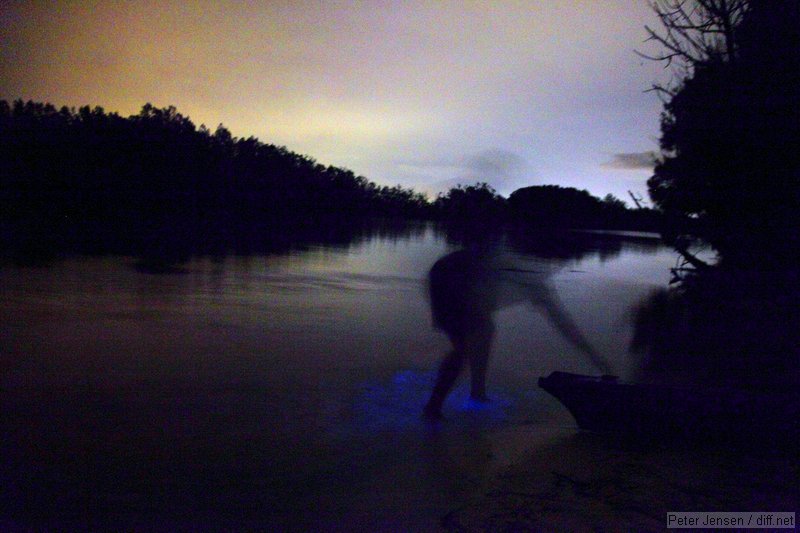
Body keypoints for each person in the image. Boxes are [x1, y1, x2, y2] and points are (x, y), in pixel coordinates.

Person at [423, 247, 611, 419]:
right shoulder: (519, 272)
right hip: (447, 277)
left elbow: (563, 323)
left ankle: (477, 393)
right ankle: (434, 407)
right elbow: (562, 322)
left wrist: (594, 357)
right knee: (463, 347)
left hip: (463, 281)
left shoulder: (532, 280)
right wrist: (595, 357)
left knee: (485, 329)